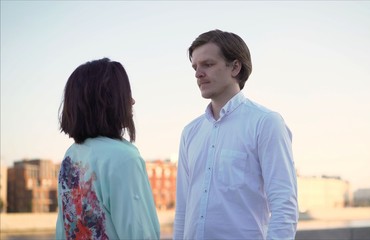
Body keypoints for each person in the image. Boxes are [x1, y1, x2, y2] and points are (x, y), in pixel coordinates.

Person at [173, 30, 299, 240]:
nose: (198, 73)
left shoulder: (266, 123)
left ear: (235, 67)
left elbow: (284, 206)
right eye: (195, 67)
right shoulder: (190, 132)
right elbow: (183, 209)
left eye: (208, 64)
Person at [56, 58, 160, 239]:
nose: (132, 101)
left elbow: (63, 230)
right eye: (125, 94)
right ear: (108, 101)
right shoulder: (124, 158)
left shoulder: (71, 156)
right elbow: (139, 233)